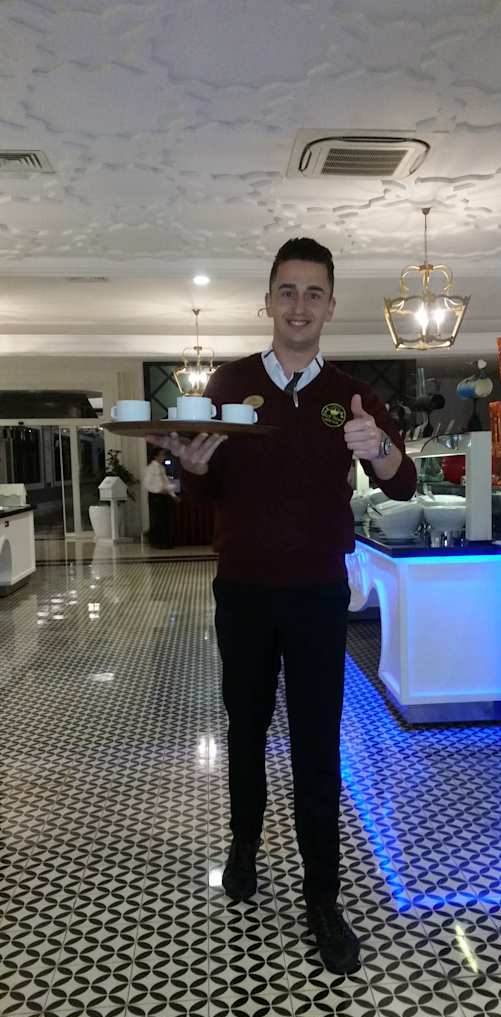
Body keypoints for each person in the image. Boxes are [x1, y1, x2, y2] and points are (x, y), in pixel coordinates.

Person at [148, 237, 417, 974]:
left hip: (319, 596)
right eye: (288, 291)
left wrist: (377, 447)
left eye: (314, 293)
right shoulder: (227, 385)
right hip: (242, 592)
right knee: (246, 729)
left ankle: (322, 895)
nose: (300, 306)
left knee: (317, 744)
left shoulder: (352, 394)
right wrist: (190, 471)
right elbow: (203, 488)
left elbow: (402, 484)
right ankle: (244, 845)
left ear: (330, 306)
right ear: (267, 301)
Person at [144, 447, 178, 548]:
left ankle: (164, 541)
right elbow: (147, 483)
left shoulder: (162, 468)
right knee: (157, 519)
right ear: (156, 456)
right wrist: (158, 490)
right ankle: (157, 542)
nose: (163, 457)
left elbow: (166, 482)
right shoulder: (151, 468)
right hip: (155, 496)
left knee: (164, 519)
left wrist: (173, 495)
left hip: (163, 496)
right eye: (162, 455)